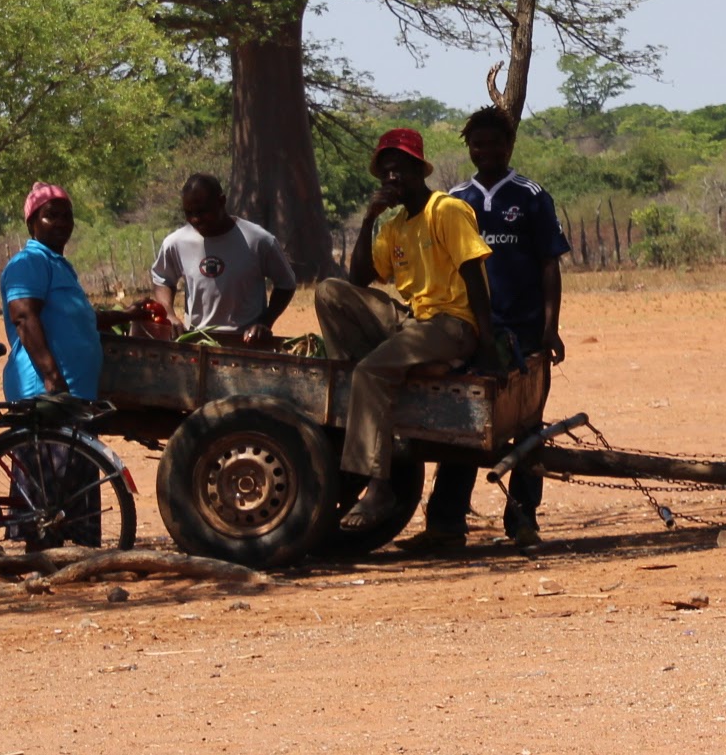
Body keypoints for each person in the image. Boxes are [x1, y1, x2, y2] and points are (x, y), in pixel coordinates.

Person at [310, 128, 491, 551]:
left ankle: (379, 484)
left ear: (418, 169)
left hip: (451, 323)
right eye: (385, 172)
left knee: (372, 372)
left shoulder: (445, 210)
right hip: (413, 321)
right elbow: (358, 279)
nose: (392, 178)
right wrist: (370, 219)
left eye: (399, 170)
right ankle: (365, 391)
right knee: (329, 292)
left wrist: (486, 344)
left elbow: (474, 278)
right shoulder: (393, 223)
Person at [426, 105, 571, 551]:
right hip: (469, 329)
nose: (485, 151)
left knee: (527, 425)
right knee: (462, 421)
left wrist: (551, 328)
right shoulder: (454, 201)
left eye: (494, 144)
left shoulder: (530, 196)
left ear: (509, 146)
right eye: (477, 144)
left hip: (523, 330)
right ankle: (447, 523)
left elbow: (549, 265)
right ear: (468, 148)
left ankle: (523, 520)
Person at [0, 182, 136, 545]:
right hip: (45, 389)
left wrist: (125, 315)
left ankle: (70, 552)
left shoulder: (59, 265)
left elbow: (81, 318)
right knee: (51, 483)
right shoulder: (28, 263)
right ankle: (43, 554)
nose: (61, 223)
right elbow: (24, 316)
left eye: (66, 216)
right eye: (50, 216)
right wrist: (51, 378)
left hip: (73, 391)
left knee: (73, 477)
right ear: (32, 224)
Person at [150, 173, 298, 340]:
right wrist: (169, 314)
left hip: (247, 343)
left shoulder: (258, 240)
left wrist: (265, 321)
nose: (196, 219)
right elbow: (162, 280)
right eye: (189, 213)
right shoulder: (176, 243)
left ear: (221, 201)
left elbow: (286, 283)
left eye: (202, 211)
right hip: (198, 342)